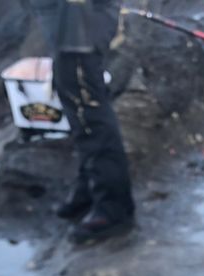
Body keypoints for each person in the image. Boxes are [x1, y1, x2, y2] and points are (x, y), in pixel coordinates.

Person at [29, 0, 135, 245]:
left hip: (80, 28)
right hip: (66, 26)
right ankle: (90, 186)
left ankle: (113, 209)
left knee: (91, 117)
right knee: (78, 112)